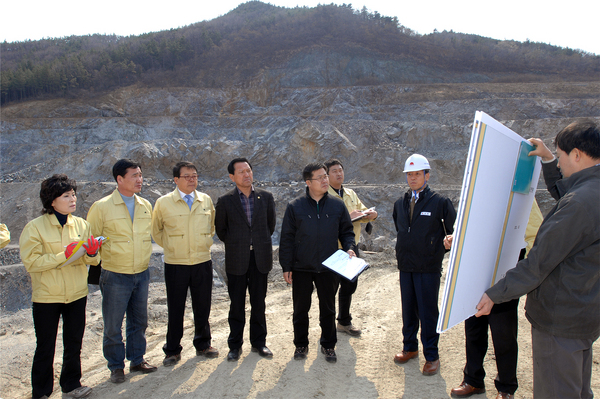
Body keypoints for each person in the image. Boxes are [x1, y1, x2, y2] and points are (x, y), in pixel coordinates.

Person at [475, 121, 600, 398]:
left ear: (577, 155)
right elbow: (568, 193)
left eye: (562, 156)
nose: (562, 166)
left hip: (560, 318)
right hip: (584, 310)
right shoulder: (591, 192)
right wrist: (549, 160)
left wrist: (495, 293)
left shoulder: (579, 204)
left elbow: (539, 263)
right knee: (578, 390)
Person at [449, 201, 543, 399]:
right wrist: (455, 239)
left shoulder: (521, 193)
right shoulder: (477, 189)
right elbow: (463, 225)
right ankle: (473, 380)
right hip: (476, 272)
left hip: (505, 274)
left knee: (504, 334)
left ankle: (506, 388)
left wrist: (530, 274)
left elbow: (535, 233)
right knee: (474, 330)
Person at [20, 174, 101, 399]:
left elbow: (90, 260)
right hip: (47, 296)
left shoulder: (82, 225)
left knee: (74, 342)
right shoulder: (35, 228)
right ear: (52, 200)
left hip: (76, 293)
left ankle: (72, 385)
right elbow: (32, 262)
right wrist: (62, 255)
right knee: (46, 346)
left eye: (73, 194)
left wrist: (93, 253)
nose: (73, 199)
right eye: (66, 195)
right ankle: (41, 392)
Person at [87, 159, 157, 383]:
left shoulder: (145, 205)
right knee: (113, 324)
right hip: (115, 274)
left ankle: (137, 359)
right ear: (119, 179)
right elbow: (92, 241)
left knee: (139, 321)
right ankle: (116, 366)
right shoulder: (102, 207)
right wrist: (100, 263)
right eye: (134, 175)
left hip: (142, 272)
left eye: (140, 175)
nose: (140, 179)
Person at [279, 162, 356, 363]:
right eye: (320, 177)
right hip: (301, 267)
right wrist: (286, 266)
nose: (325, 180)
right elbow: (286, 238)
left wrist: (350, 247)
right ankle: (301, 344)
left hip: (329, 267)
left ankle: (328, 345)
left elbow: (347, 232)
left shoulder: (337, 205)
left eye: (325, 176)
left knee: (328, 309)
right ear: (308, 182)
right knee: (300, 309)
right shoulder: (295, 206)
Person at [392, 154, 456, 376]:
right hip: (406, 266)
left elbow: (453, 230)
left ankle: (432, 355)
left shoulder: (440, 202)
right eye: (409, 174)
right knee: (408, 309)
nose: (412, 178)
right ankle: (409, 347)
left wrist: (449, 241)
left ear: (427, 176)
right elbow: (401, 229)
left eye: (417, 174)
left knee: (428, 312)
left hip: (428, 267)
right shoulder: (400, 203)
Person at [151, 161, 218, 366]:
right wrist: (173, 247)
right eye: (187, 176)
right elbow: (156, 231)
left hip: (201, 261)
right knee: (176, 307)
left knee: (203, 305)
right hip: (176, 263)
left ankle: (203, 344)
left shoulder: (205, 200)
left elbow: (212, 227)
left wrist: (204, 242)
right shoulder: (163, 202)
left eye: (195, 176)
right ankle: (172, 350)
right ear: (176, 180)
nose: (192, 180)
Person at [215, 158, 276, 361]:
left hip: (260, 258)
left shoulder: (265, 198)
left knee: (259, 303)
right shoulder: (225, 201)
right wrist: (239, 244)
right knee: (237, 304)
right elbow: (221, 231)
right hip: (237, 259)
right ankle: (235, 345)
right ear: (232, 177)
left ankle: (259, 343)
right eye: (241, 172)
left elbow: (270, 226)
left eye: (248, 170)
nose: (246, 174)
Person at [325, 159, 377, 336]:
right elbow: (325, 221)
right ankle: (327, 324)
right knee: (330, 288)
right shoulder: (324, 196)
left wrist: (370, 215)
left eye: (340, 170)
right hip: (332, 248)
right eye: (334, 171)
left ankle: (344, 321)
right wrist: (349, 216)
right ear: (327, 175)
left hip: (350, 247)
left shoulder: (350, 193)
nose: (339, 173)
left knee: (349, 285)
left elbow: (360, 212)